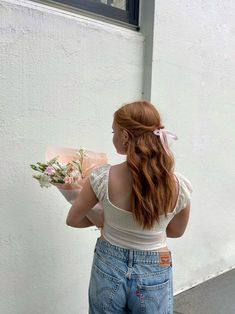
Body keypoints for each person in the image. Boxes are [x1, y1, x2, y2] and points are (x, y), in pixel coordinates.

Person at [66, 100, 193, 314]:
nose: (113, 135)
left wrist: (104, 219)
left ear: (125, 136)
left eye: (113, 131)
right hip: (155, 264)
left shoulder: (101, 177)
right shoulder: (179, 186)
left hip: (109, 260)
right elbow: (176, 231)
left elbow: (73, 220)